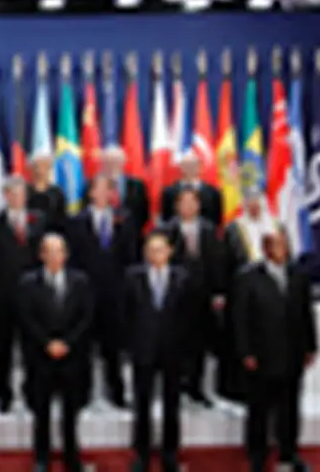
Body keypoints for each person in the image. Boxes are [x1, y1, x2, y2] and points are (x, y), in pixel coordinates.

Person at [234, 229, 318, 472]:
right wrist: (246, 352)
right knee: (259, 409)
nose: (282, 250)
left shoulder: (298, 275)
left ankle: (288, 453)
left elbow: (306, 313)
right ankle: (257, 455)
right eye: (276, 245)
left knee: (290, 407)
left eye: (284, 244)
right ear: (265, 249)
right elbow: (240, 319)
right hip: (261, 355)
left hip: (292, 353)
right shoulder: (248, 278)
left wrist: (311, 346)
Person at [17, 234, 92, 472]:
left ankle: (72, 457)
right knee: (42, 412)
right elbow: (26, 318)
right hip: (41, 356)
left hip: (72, 356)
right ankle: (41, 458)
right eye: (49, 251)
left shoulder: (80, 281)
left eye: (59, 251)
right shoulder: (28, 283)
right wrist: (47, 343)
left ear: (66, 254)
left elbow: (86, 317)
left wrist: (67, 343)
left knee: (71, 412)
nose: (54, 256)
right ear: (41, 255)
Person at [123, 234, 193, 472]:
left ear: (170, 252)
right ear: (145, 253)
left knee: (172, 404)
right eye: (152, 250)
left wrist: (185, 349)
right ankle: (141, 453)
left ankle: (170, 453)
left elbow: (189, 316)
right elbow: (126, 314)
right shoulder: (132, 277)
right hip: (143, 349)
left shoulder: (182, 278)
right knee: (141, 403)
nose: (156, 254)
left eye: (161, 249)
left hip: (172, 350)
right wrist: (131, 346)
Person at [67, 175, 137, 408]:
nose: (104, 194)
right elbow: (72, 260)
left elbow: (131, 257)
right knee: (83, 347)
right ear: (91, 193)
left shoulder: (124, 219)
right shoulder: (76, 221)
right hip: (85, 292)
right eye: (99, 189)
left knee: (113, 347)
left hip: (115, 294)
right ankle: (82, 393)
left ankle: (116, 392)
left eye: (108, 189)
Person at [0, 177, 46, 413]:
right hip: (3, 296)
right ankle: (3, 394)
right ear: (6, 196)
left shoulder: (38, 220)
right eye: (13, 194)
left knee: (32, 347)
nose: (17, 198)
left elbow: (43, 256)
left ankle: (32, 393)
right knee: (3, 347)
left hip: (33, 296)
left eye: (21, 194)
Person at [159, 189, 224, 406]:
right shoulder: (167, 230)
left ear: (198, 205)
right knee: (176, 343)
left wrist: (218, 291)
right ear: (177, 206)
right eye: (183, 202)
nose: (188, 207)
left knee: (200, 344)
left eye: (192, 202)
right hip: (176, 297)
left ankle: (197, 387)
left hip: (203, 296)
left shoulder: (209, 229)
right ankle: (176, 387)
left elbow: (216, 262)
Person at [218, 189, 274, 402]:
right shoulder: (234, 229)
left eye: (257, 202)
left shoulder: (276, 226)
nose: (254, 206)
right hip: (240, 291)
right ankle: (236, 389)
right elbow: (224, 263)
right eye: (249, 202)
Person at [94, 146, 150, 237]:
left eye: (116, 161)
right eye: (108, 161)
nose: (112, 164)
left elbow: (144, 214)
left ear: (123, 163)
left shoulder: (137, 185)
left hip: (131, 237)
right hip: (101, 236)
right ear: (102, 164)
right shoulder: (93, 186)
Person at [160, 155, 223, 226]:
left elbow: (217, 221)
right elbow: (166, 220)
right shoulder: (168, 192)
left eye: (193, 165)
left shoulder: (213, 193)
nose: (190, 168)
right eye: (186, 165)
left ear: (200, 168)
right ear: (180, 167)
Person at [27, 153, 68, 232]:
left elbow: (62, 221)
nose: (40, 171)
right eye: (36, 166)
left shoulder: (57, 193)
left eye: (44, 166)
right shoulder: (25, 192)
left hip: (52, 235)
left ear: (49, 169)